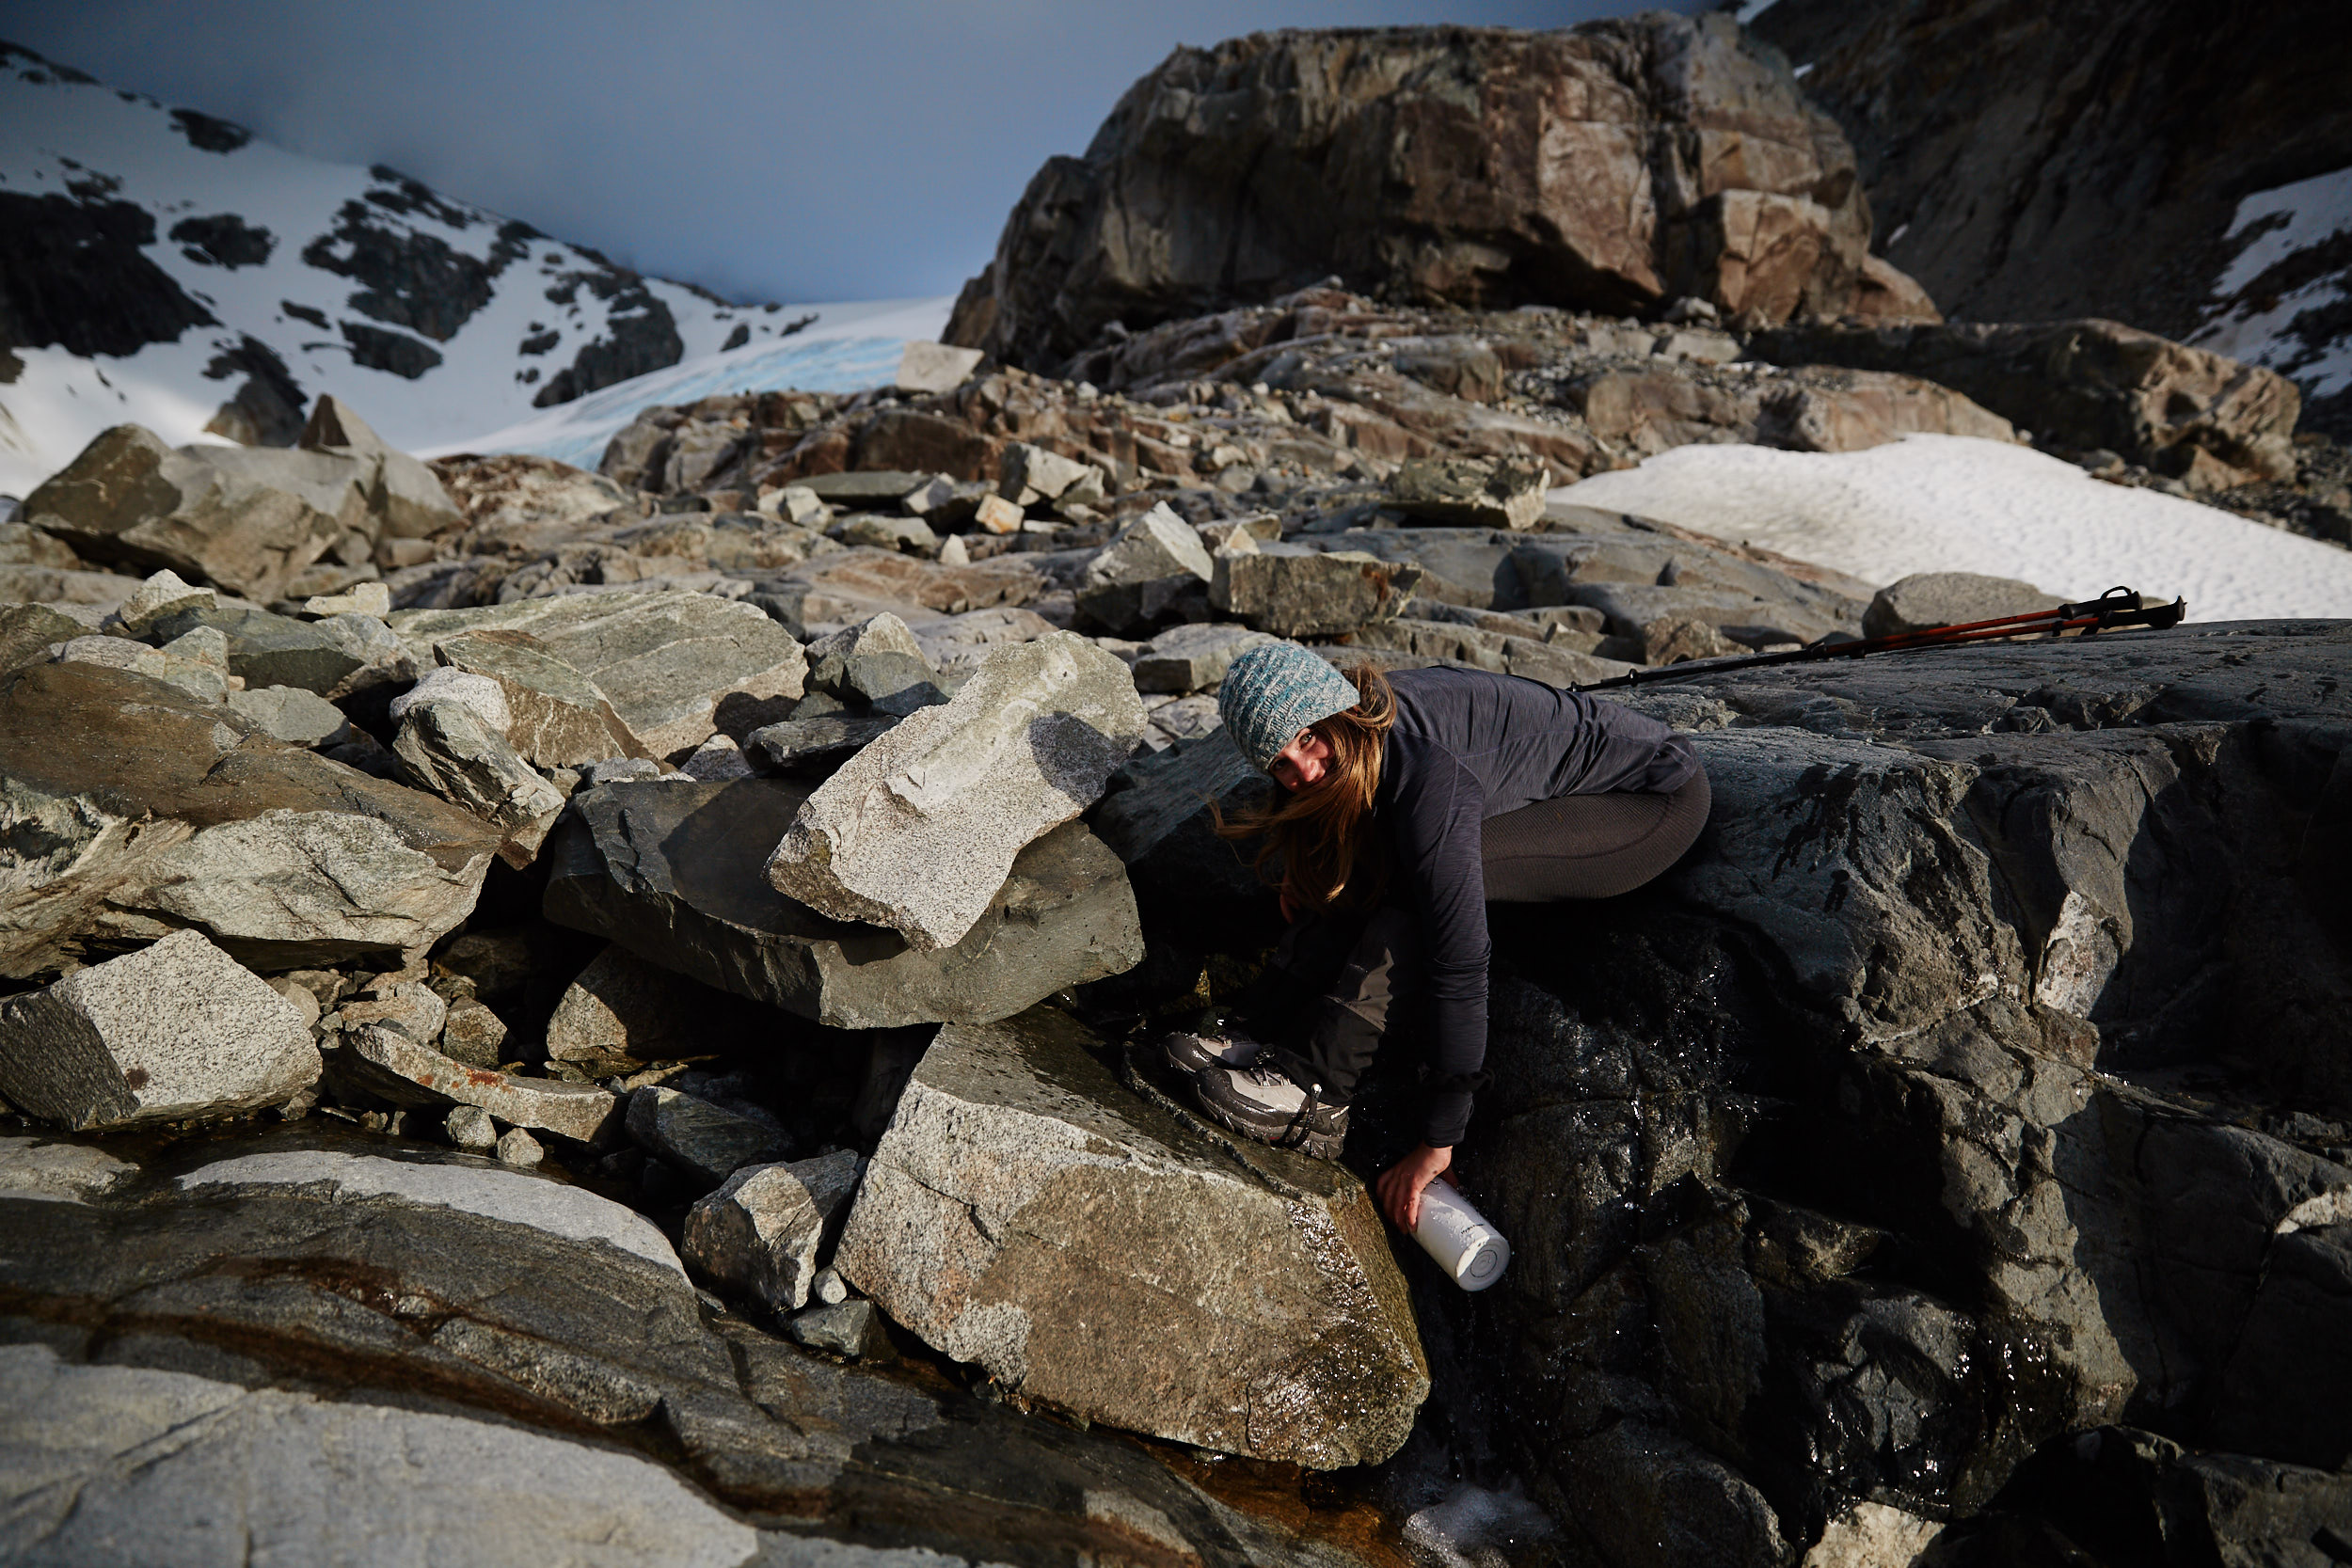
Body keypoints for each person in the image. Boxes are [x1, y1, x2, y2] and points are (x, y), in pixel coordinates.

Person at [1162, 640, 1710, 1234]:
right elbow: (1322, 795)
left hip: (1650, 802)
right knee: (1370, 863)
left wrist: (1439, 1139)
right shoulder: (1355, 729)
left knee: (1419, 889)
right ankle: (1259, 1026)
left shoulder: (1428, 773)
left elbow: (1461, 957)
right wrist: (1306, 863)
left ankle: (1319, 1090)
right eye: (1280, 765)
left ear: (1332, 710)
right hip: (1549, 782)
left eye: (1307, 741)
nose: (1305, 772)